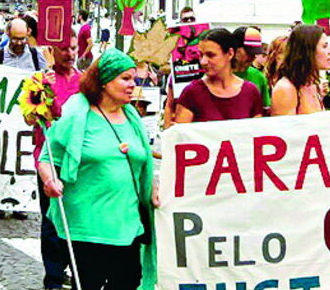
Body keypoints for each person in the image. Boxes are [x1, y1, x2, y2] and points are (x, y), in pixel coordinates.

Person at [39, 48, 157, 290]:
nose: (131, 85)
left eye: (133, 79)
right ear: (103, 81)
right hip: (87, 226)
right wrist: (50, 181)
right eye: (125, 78)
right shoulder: (77, 113)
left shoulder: (132, 117)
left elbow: (142, 163)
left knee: (129, 283)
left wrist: (153, 187)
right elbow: (47, 157)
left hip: (128, 225)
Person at [27, 37, 80, 289]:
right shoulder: (39, 79)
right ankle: (54, 276)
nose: (69, 54)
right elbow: (29, 117)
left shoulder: (85, 81)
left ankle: (74, 266)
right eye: (64, 49)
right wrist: (42, 92)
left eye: (73, 48)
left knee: (77, 215)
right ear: (52, 51)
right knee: (51, 217)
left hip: (79, 156)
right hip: (48, 155)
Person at [174, 28, 263, 123]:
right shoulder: (191, 93)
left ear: (230, 53)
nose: (203, 61)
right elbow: (181, 134)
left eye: (211, 55)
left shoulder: (250, 92)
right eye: (200, 55)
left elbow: (256, 132)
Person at [272, 25, 330, 116]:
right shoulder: (286, 89)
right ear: (307, 51)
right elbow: (283, 129)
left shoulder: (313, 85)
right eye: (324, 46)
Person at [231, 26, 270, 108]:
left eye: (255, 53)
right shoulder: (219, 76)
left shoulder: (258, 77)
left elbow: (265, 108)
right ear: (235, 49)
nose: (252, 57)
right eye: (249, 52)